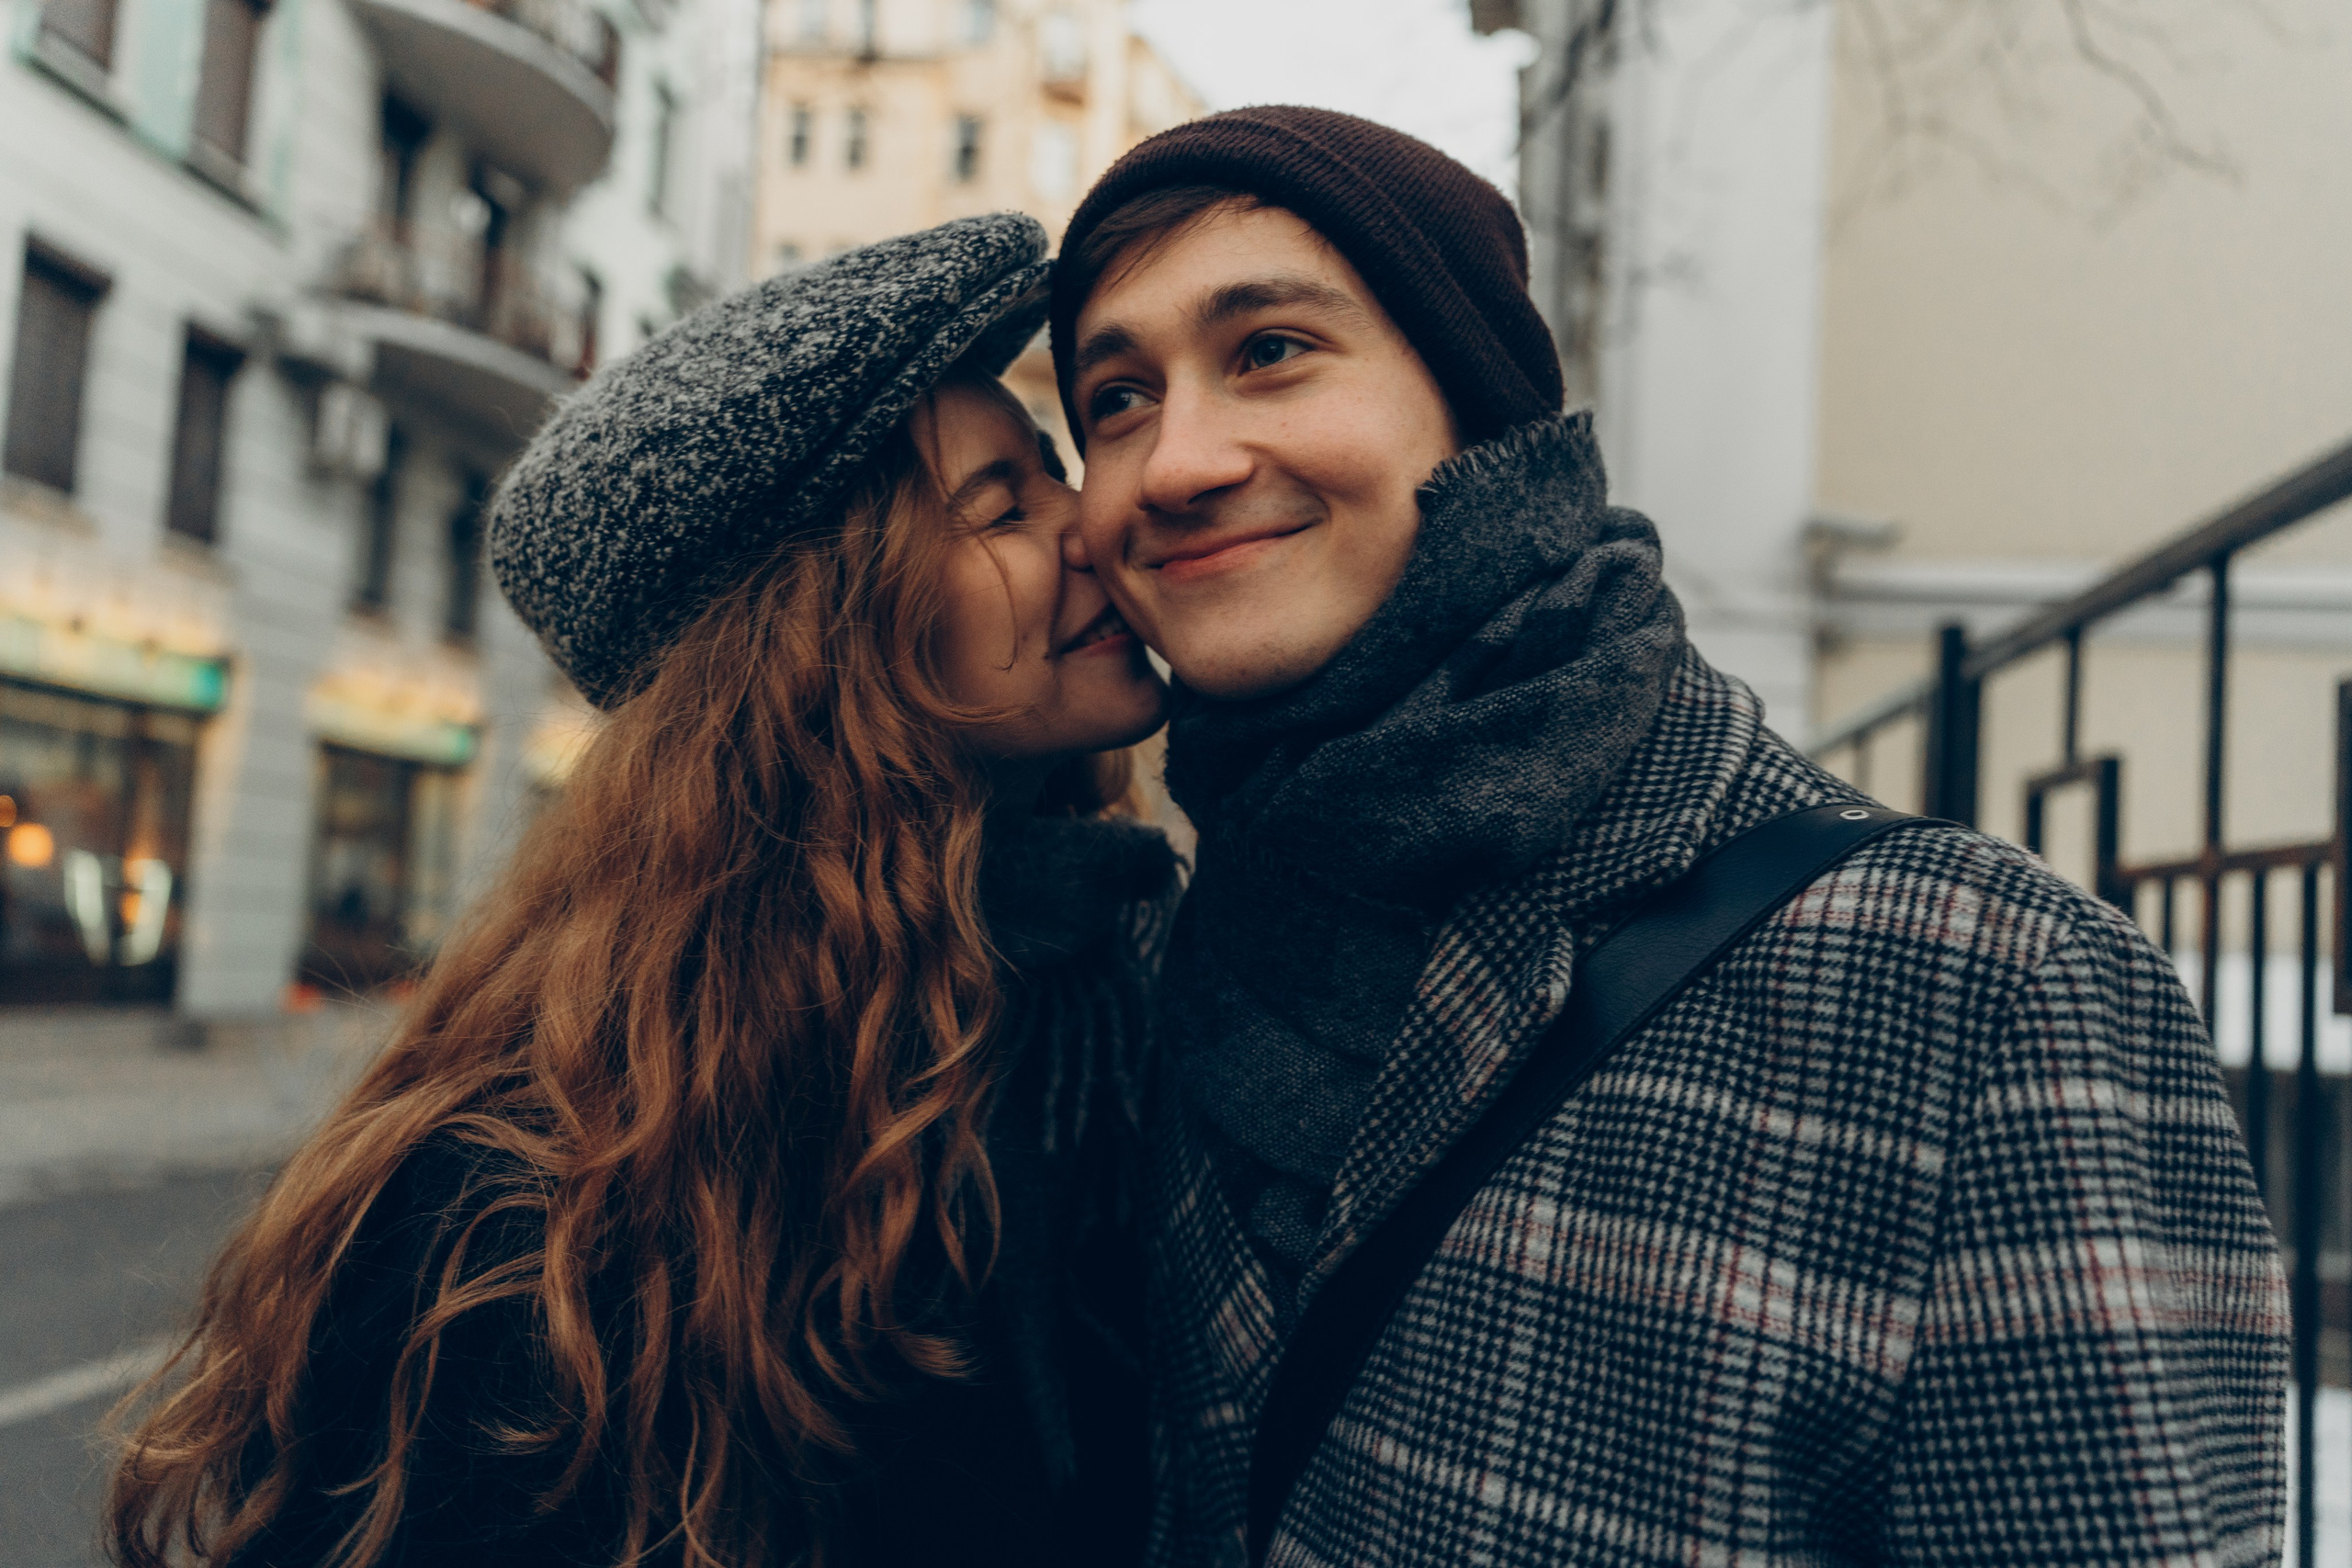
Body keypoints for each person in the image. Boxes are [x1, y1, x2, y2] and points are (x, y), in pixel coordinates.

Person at [1048, 107, 2289, 1566]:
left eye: (1269, 349)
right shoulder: (1154, 968)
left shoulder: (1981, 982)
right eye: (1116, 398)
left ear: (1477, 405)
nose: (1177, 459)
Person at [106, 215, 1175, 1568]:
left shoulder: (1113, 989)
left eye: (1056, 474)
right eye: (1004, 506)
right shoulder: (534, 1193)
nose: (1091, 523)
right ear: (828, 640)